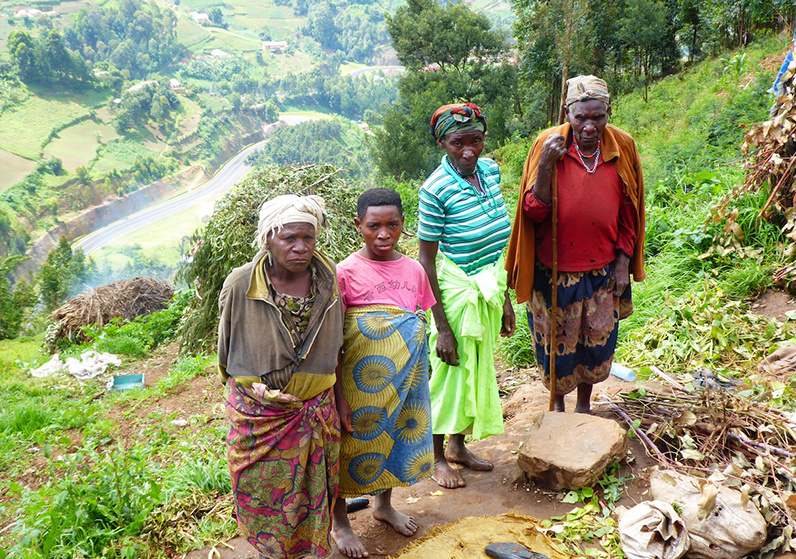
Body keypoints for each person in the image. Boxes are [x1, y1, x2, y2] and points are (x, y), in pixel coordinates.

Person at [217, 194, 349, 559]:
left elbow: (336, 343)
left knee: (316, 487)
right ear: (267, 239)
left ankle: (311, 548)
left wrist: (339, 401)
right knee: (261, 491)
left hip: (316, 407)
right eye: (288, 238)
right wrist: (252, 393)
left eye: (307, 238)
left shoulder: (328, 278)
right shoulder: (241, 283)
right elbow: (226, 352)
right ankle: (269, 551)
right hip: (261, 414)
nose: (300, 247)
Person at [505, 75, 646, 413]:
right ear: (566, 112)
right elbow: (532, 212)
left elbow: (631, 210)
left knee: (595, 345)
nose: (589, 126)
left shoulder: (622, 145)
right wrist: (544, 167)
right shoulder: (547, 144)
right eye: (580, 117)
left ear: (608, 112)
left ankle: (584, 406)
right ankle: (557, 406)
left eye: (597, 117)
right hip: (554, 272)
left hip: (603, 271)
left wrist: (624, 263)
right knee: (555, 346)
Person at [331, 188, 436, 558]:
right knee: (351, 446)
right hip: (360, 383)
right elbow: (335, 342)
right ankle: (340, 522)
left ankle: (383, 505)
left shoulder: (414, 269)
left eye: (392, 225)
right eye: (374, 225)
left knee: (394, 439)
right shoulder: (343, 273)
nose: (383, 234)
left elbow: (414, 321)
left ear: (403, 225)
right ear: (358, 225)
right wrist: (339, 397)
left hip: (406, 380)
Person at [418, 102, 516, 490]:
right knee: (448, 374)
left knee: (474, 368)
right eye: (458, 143)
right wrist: (441, 326)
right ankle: (436, 457)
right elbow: (425, 262)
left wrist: (504, 299)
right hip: (456, 292)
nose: (468, 151)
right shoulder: (434, 189)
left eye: (475, 141)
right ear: (443, 142)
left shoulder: (490, 171)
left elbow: (497, 243)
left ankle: (458, 446)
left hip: (488, 286)